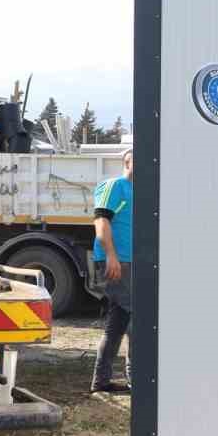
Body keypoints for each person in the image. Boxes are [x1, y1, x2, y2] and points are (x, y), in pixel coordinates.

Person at [90, 150, 134, 394]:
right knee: (141, 318)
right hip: (117, 263)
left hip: (130, 263)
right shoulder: (114, 186)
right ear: (126, 163)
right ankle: (139, 381)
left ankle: (101, 382)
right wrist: (112, 256)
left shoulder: (144, 190)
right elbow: (102, 222)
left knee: (117, 323)